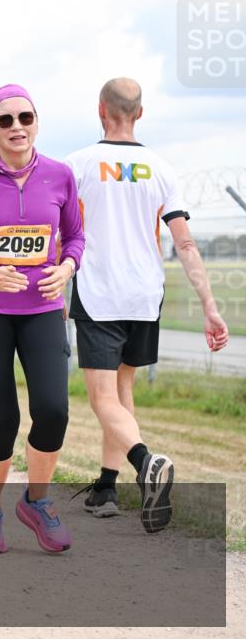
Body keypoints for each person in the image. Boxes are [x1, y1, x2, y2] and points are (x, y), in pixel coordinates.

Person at [65, 78, 229, 532]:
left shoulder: (77, 164)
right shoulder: (161, 168)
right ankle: (105, 488)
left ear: (101, 110)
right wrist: (210, 306)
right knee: (123, 393)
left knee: (101, 400)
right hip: (144, 295)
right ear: (141, 113)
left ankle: (146, 461)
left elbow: (59, 234)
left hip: (99, 294)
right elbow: (186, 243)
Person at [0, 84, 84, 555]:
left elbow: (77, 238)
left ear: (36, 122)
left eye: (25, 117)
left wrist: (67, 268)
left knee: (53, 411)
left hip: (42, 308)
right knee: (1, 419)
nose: (17, 127)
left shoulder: (61, 176)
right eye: (5, 121)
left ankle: (37, 503)